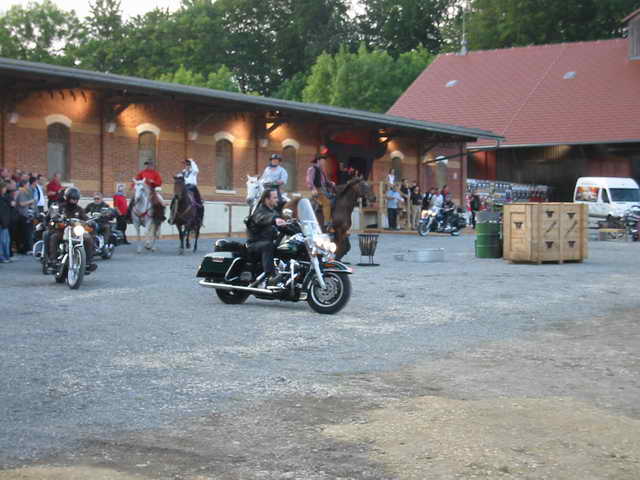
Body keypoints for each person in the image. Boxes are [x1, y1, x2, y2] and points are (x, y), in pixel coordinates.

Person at [47, 187, 97, 272]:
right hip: (62, 231)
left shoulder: (79, 209)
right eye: (72, 199)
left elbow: (85, 218)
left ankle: (88, 262)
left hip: (75, 232)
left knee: (88, 238)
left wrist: (90, 222)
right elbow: (54, 215)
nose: (74, 201)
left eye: (76, 199)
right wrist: (55, 217)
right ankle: (53, 260)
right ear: (67, 198)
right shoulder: (61, 207)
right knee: (54, 237)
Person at [245, 189, 287, 288]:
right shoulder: (259, 211)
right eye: (275, 198)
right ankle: (270, 276)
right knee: (268, 245)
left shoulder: (273, 211)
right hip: (255, 243)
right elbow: (262, 218)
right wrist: (274, 220)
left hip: (267, 243)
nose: (277, 200)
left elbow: (282, 225)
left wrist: (298, 228)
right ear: (267, 199)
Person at [306, 154, 335, 225]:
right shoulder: (312, 169)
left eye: (324, 161)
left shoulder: (322, 171)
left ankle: (332, 218)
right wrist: (313, 189)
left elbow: (326, 181)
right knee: (327, 203)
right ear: (318, 161)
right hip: (317, 191)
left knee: (335, 198)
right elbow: (309, 181)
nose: (324, 163)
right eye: (323, 161)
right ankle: (327, 222)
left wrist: (331, 183)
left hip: (324, 190)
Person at [15, 180, 35, 254]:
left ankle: (26, 248)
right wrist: (31, 201)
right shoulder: (21, 192)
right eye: (28, 185)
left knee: (26, 233)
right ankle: (24, 249)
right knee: (24, 233)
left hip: (26, 215)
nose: (28, 186)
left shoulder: (25, 192)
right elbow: (22, 203)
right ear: (24, 185)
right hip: (23, 215)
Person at [0, 181, 12, 263]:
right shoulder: (2, 199)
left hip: (5, 221)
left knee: (6, 240)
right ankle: (3, 257)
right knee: (3, 241)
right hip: (2, 222)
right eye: (4, 188)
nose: (5, 189)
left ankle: (6, 256)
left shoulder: (5, 197)